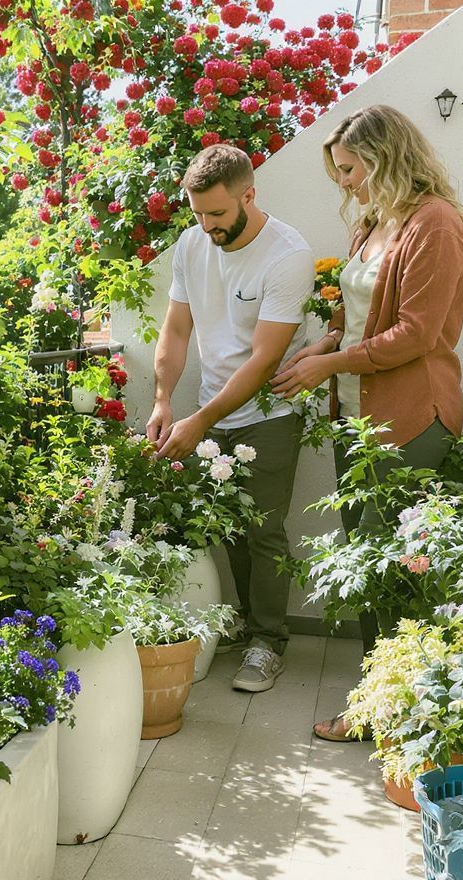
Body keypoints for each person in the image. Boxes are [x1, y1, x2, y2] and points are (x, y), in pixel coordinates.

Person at [269, 104, 463, 741]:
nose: (346, 184)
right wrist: (324, 343)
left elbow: (417, 333)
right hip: (360, 417)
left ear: (386, 159)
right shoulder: (374, 223)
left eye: (352, 170)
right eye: (339, 172)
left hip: (412, 414)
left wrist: (331, 364)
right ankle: (383, 703)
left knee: (399, 570)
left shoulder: (433, 224)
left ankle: (401, 715)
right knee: (368, 563)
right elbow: (354, 312)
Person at [149, 144, 314, 693]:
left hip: (270, 409)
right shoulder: (192, 245)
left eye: (217, 214)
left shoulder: (286, 255)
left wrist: (199, 419)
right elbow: (175, 331)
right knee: (225, 529)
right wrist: (164, 400)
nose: (207, 225)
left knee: (263, 528)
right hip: (211, 405)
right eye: (197, 214)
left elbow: (265, 359)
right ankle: (243, 622)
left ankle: (268, 642)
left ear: (249, 195)